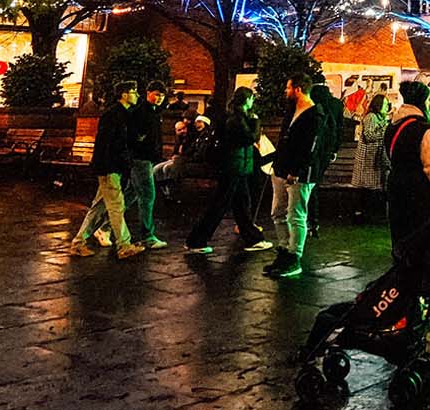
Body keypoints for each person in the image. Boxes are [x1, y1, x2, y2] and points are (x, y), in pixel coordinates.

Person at [263, 73, 338, 279]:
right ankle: (284, 249)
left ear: (297, 89)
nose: (285, 92)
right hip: (281, 169)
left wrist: (296, 171)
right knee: (278, 212)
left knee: (296, 214)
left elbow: (310, 147)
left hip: (300, 174)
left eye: (288, 88)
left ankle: (295, 255)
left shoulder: (315, 114)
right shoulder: (292, 111)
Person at [185, 87, 273, 254]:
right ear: (247, 100)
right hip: (233, 168)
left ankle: (253, 239)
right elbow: (250, 138)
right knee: (220, 205)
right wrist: (256, 121)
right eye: (252, 98)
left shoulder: (234, 117)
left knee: (241, 206)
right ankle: (196, 240)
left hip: (236, 168)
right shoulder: (236, 119)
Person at [387, 81, 430, 293]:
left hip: (396, 188)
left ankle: (402, 278)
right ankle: (427, 283)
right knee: (424, 238)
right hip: (419, 192)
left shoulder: (393, 127)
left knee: (402, 235)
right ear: (424, 101)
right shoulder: (423, 130)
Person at [70, 82, 144, 259]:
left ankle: (79, 243)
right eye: (134, 92)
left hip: (113, 167)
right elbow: (105, 144)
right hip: (110, 168)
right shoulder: (113, 116)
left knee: (98, 207)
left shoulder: (124, 115)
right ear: (124, 95)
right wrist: (105, 167)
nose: (137, 95)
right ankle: (124, 245)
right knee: (117, 206)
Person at [127, 81, 167, 248]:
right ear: (148, 92)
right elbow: (135, 134)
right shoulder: (143, 112)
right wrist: (141, 142)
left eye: (162, 95)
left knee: (131, 195)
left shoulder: (153, 112)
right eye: (157, 94)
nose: (159, 98)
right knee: (147, 195)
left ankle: (104, 226)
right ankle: (147, 235)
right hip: (141, 158)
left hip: (144, 158)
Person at [351, 94, 391, 200]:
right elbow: (369, 135)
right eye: (385, 104)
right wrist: (385, 132)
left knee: (372, 187)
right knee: (368, 188)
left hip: (374, 158)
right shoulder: (371, 117)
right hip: (368, 158)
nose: (387, 107)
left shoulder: (379, 117)